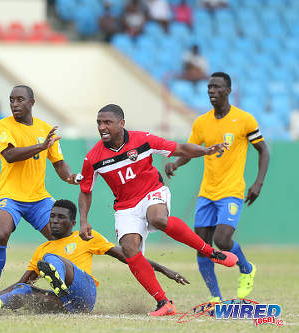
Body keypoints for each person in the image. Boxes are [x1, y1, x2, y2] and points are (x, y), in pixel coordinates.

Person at [77, 103, 239, 316]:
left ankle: (211, 252)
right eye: (99, 122)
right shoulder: (93, 157)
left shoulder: (143, 139)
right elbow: (86, 190)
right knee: (129, 249)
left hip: (152, 191)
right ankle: (164, 302)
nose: (102, 127)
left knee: (158, 218)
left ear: (121, 123)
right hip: (125, 205)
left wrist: (207, 151)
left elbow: (180, 148)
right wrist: (84, 220)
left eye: (107, 122)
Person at [0, 199, 189, 313]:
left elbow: (129, 257)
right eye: (52, 217)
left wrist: (165, 270)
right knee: (23, 290)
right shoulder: (42, 248)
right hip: (64, 304)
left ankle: (58, 279)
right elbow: (21, 282)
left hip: (85, 294)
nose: (54, 221)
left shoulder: (85, 237)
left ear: (72, 222)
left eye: (60, 217)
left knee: (53, 261)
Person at [165, 72, 270, 302]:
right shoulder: (202, 122)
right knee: (203, 247)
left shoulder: (245, 120)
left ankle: (246, 269)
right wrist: (175, 162)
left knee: (222, 240)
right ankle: (216, 299)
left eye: (216, 87)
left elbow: (264, 150)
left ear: (228, 90)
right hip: (207, 193)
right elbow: (190, 150)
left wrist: (258, 183)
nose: (211, 91)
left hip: (231, 191)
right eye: (209, 87)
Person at [0, 85, 79, 293]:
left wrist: (71, 177)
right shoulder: (3, 125)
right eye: (11, 100)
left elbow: (59, 164)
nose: (14, 104)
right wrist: (41, 146)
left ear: (32, 103)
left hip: (39, 199)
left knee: (61, 240)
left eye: (19, 100)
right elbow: (10, 155)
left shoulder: (45, 129)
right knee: (1, 234)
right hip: (10, 196)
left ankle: (71, 289)